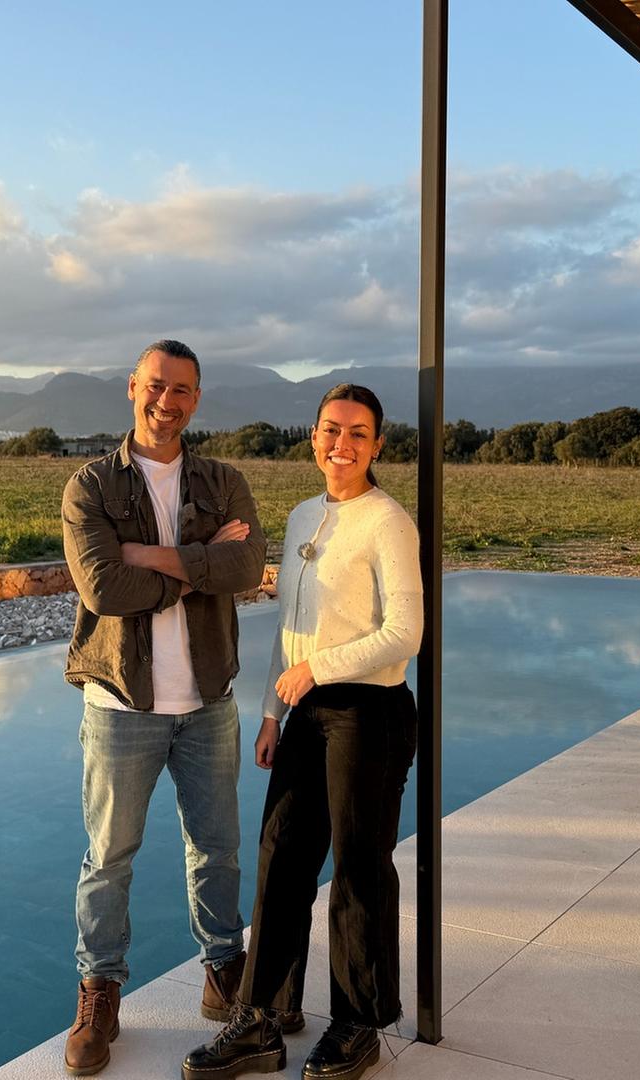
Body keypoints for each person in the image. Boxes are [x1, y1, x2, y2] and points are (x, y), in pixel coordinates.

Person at [183, 383, 421, 1080]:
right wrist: (270, 712)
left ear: (378, 445)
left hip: (368, 714)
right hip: (304, 709)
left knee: (357, 870)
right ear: (312, 437)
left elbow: (406, 633)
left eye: (356, 433)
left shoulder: (387, 522)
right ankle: (260, 1017)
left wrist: (316, 670)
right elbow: (291, 627)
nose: (340, 444)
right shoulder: (300, 517)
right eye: (329, 430)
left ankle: (357, 1023)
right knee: (280, 857)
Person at [59, 339, 279, 1076]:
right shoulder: (89, 487)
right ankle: (99, 995)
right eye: (157, 386)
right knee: (109, 858)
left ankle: (223, 976)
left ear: (197, 398)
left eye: (182, 389)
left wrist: (147, 556)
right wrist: (197, 564)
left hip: (208, 701)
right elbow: (102, 589)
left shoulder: (224, 480)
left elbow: (246, 568)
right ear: (132, 388)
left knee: (215, 849)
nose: (168, 400)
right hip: (120, 702)